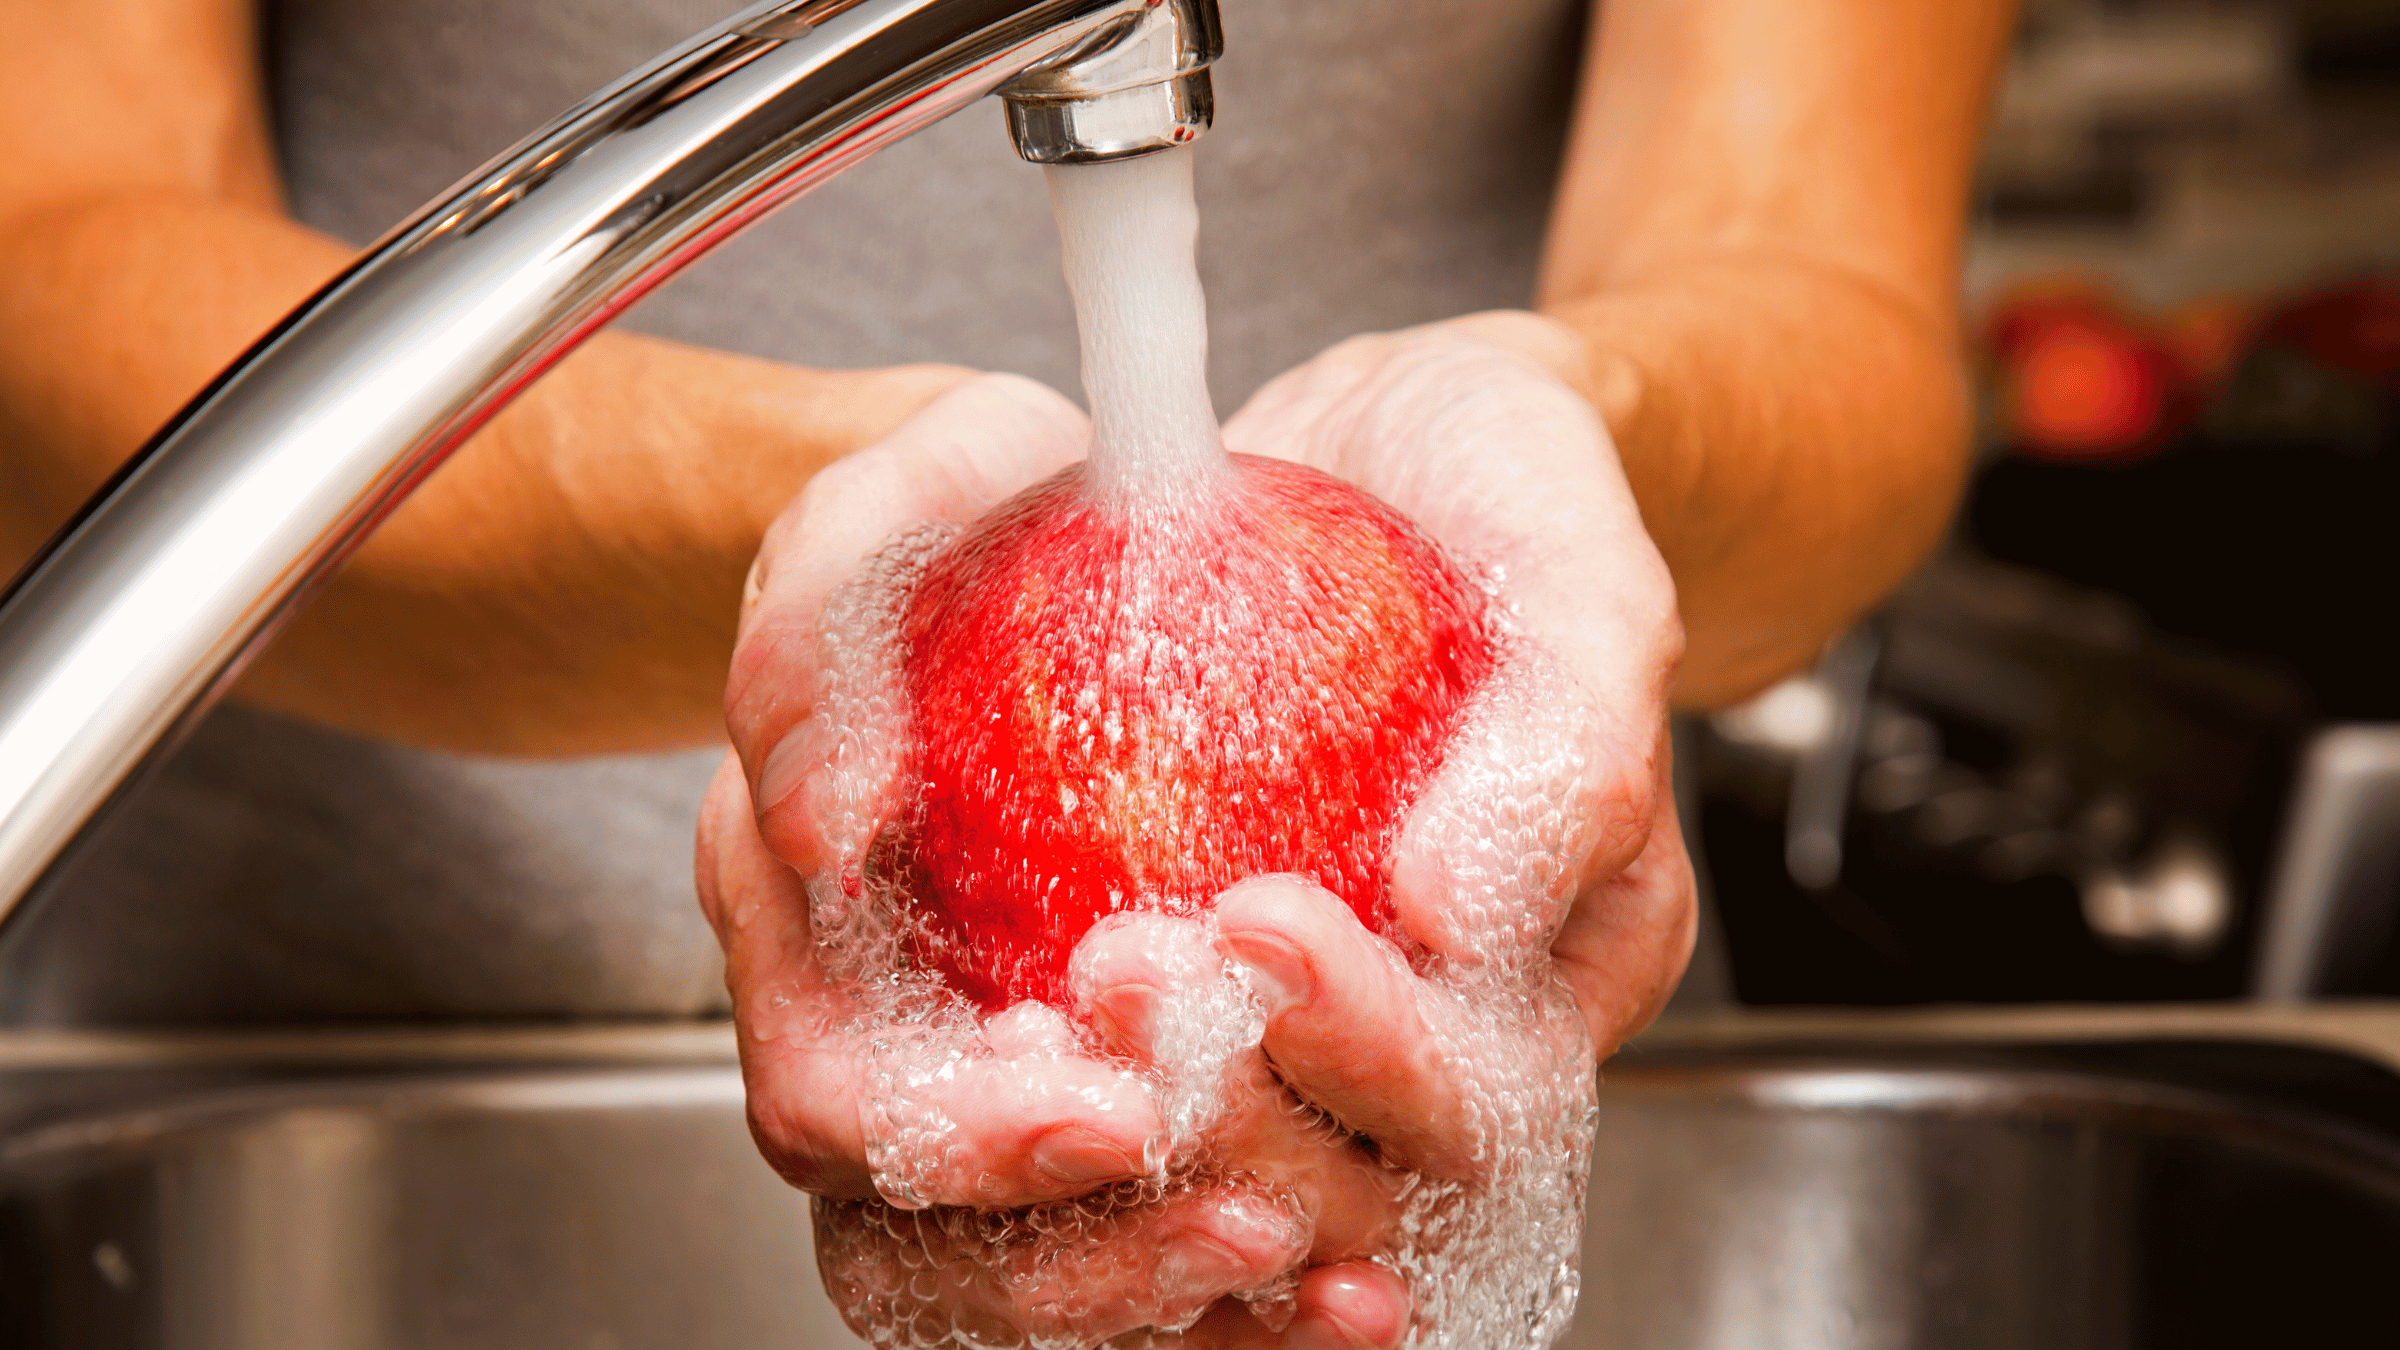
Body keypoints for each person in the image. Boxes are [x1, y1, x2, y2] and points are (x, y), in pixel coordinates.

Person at [0, 0, 2018, 1344]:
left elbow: (1817, 273)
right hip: (323, 1114)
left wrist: (1576, 429)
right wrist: (894, 573)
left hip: (1452, 1056)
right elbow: (42, 266)